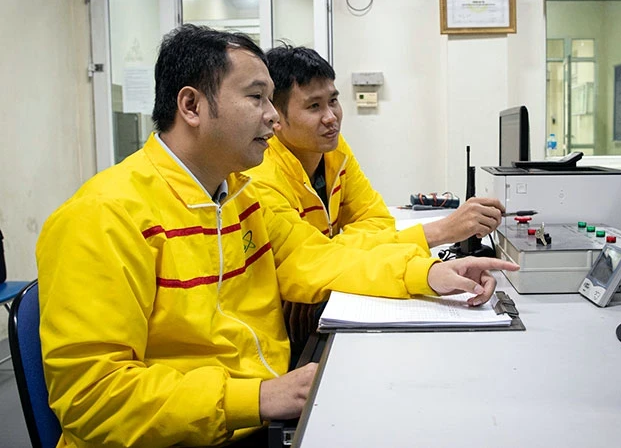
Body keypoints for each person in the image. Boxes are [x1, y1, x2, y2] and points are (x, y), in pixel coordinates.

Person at [36, 25, 517, 447]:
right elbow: (91, 398)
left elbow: (321, 261)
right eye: (256, 98)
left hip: (252, 420)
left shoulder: (241, 197)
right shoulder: (104, 216)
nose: (273, 117)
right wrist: (260, 396)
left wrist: (430, 274)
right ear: (191, 105)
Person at [246, 46, 507, 346]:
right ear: (275, 117)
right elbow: (308, 261)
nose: (331, 118)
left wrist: (338, 249)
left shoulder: (333, 151)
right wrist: (437, 233)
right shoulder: (261, 175)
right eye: (314, 107)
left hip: (318, 296)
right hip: (285, 324)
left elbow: (375, 220)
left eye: (333, 101)